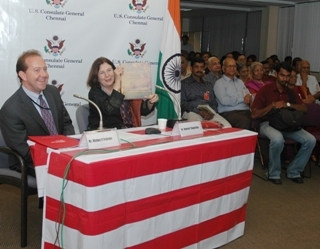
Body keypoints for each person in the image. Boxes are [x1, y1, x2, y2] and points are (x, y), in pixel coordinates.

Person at [0, 49, 75, 177]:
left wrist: (68, 148)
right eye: (37, 70)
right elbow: (24, 150)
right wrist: (55, 157)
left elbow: (66, 123)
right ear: (23, 75)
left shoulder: (52, 92)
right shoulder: (11, 109)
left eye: (45, 69)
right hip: (31, 161)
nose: (44, 74)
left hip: (61, 153)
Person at [251, 62, 316, 184]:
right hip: (268, 123)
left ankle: (294, 171)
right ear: (276, 74)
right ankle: (273, 173)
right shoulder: (266, 90)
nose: (285, 79)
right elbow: (254, 114)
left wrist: (287, 104)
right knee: (277, 139)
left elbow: (304, 109)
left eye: (287, 76)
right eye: (282, 75)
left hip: (288, 125)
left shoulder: (291, 92)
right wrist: (272, 105)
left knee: (310, 140)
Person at [86, 57, 158, 130]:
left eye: (109, 70)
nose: (107, 75)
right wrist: (118, 81)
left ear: (114, 71)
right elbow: (110, 109)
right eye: (102, 73)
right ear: (96, 77)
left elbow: (141, 110)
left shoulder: (125, 87)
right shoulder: (94, 93)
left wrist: (150, 102)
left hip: (127, 132)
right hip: (104, 134)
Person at [181, 57, 231, 128]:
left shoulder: (208, 84)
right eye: (196, 67)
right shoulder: (183, 84)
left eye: (201, 67)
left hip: (209, 114)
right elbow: (182, 103)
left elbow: (213, 102)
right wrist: (199, 112)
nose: (199, 69)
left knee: (227, 127)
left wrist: (211, 112)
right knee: (196, 128)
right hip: (192, 112)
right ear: (191, 68)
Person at [214, 58, 252, 129]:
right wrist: (243, 99)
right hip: (229, 112)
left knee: (258, 118)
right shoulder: (219, 83)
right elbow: (224, 101)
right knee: (244, 121)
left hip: (245, 111)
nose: (232, 68)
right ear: (223, 68)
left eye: (234, 66)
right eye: (229, 66)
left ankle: (254, 140)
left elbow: (249, 95)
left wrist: (249, 96)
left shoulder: (240, 82)